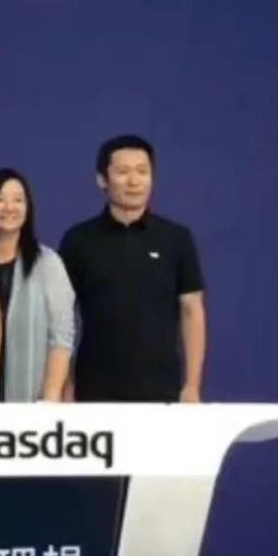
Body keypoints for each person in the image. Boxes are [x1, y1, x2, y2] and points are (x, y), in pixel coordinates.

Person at [59, 135, 206, 402]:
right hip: (93, 389)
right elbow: (61, 317)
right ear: (102, 179)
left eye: (142, 171)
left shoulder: (176, 238)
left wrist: (192, 384)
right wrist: (65, 383)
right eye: (123, 172)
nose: (134, 181)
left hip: (162, 390)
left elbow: (192, 310)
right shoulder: (78, 240)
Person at [0, 168, 75, 402]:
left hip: (30, 399)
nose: (10, 207)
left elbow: (61, 336)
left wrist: (51, 395)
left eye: (18, 200)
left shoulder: (47, 263)